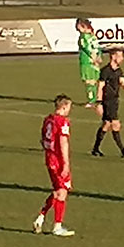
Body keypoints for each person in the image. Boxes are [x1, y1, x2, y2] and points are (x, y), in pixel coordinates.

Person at [33, 95, 76, 237]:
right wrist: (66, 164)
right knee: (62, 192)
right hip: (58, 161)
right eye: (69, 107)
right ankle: (57, 226)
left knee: (57, 191)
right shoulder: (62, 122)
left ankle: (40, 218)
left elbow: (42, 139)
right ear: (64, 107)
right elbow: (63, 143)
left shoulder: (48, 119)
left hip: (49, 159)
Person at [76, 18, 106, 118]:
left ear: (82, 26)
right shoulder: (93, 36)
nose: (77, 28)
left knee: (89, 81)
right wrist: (99, 57)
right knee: (95, 81)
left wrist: (93, 57)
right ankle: (97, 99)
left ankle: (92, 101)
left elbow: (87, 49)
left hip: (87, 61)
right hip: (95, 61)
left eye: (78, 26)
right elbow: (98, 48)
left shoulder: (83, 37)